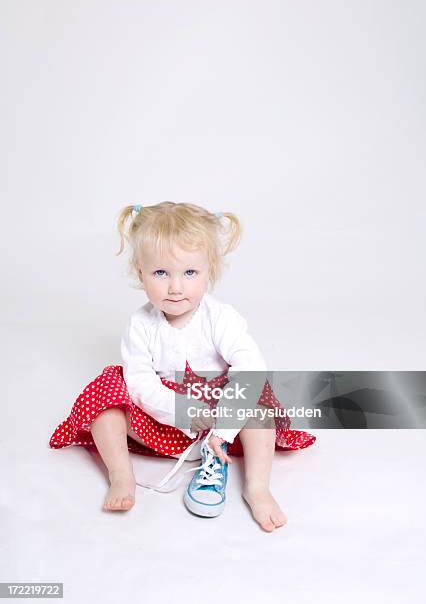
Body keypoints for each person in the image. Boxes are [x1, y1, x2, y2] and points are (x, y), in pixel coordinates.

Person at [49, 201, 316, 532]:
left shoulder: (221, 318)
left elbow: (249, 367)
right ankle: (121, 476)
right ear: (140, 274)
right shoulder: (140, 324)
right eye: (161, 273)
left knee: (257, 397)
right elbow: (142, 384)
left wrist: (222, 427)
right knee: (105, 393)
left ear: (209, 272)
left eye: (190, 273)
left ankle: (257, 487)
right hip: (166, 418)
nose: (175, 287)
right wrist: (183, 411)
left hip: (223, 417)